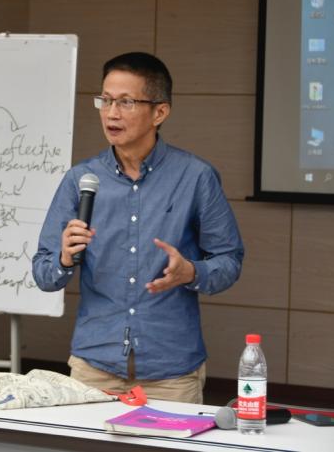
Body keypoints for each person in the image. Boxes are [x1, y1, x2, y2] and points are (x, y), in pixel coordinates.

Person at [32, 52, 244, 404]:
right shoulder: (81, 179)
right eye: (105, 100)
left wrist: (191, 272)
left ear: (159, 112)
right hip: (94, 366)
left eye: (126, 102)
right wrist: (64, 258)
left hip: (171, 371)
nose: (111, 113)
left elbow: (229, 260)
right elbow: (43, 272)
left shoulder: (195, 177)